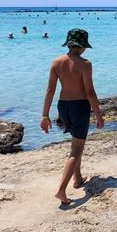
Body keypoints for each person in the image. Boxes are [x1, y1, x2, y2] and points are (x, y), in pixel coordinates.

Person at [40, 28, 104, 204]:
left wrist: (44, 115)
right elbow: (90, 92)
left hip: (63, 107)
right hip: (80, 107)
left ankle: (78, 179)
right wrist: (98, 115)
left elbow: (50, 91)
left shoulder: (56, 62)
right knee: (76, 150)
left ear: (68, 43)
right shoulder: (85, 64)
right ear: (82, 46)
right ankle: (61, 190)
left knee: (76, 142)